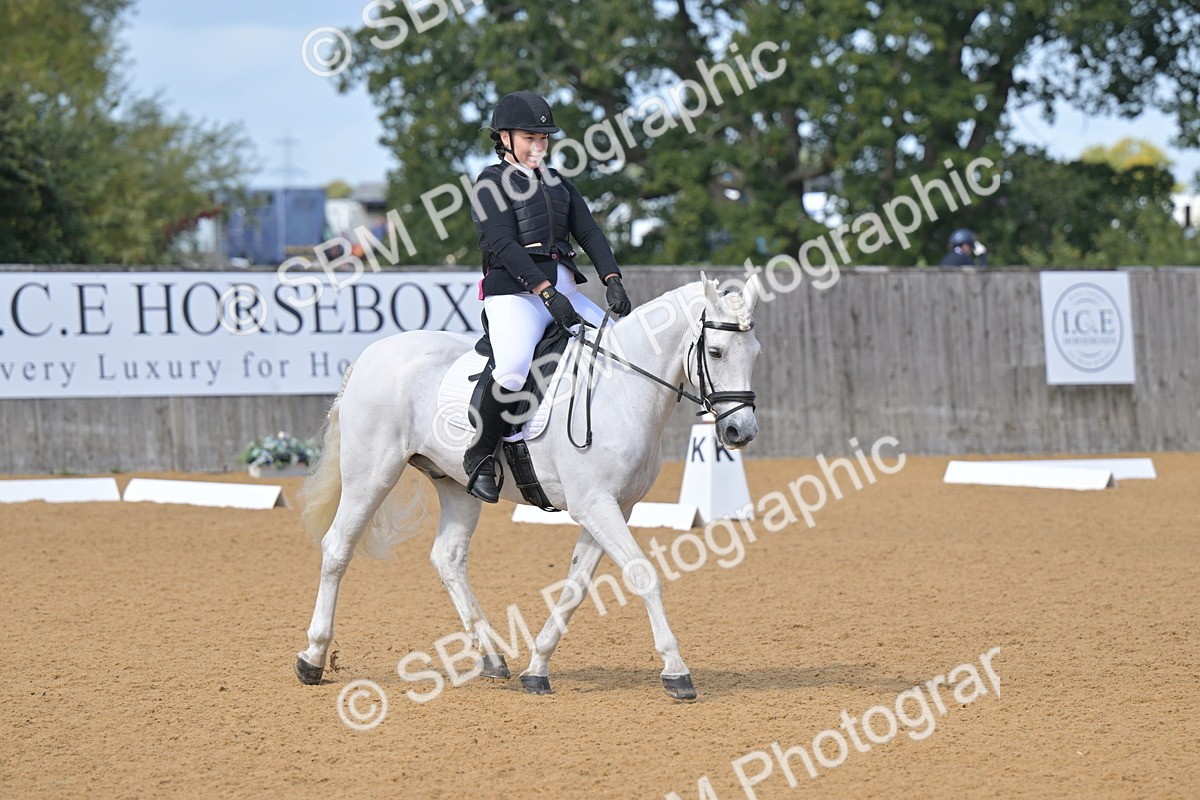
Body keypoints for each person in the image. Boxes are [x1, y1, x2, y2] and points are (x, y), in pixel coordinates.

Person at [463, 90, 632, 503]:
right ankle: (481, 456)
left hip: (564, 291)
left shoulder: (559, 184)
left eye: (544, 139)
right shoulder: (489, 184)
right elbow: (502, 242)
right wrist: (542, 290)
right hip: (515, 296)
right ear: (504, 138)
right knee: (514, 370)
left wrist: (611, 277)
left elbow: (589, 232)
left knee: (622, 349)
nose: (539, 146)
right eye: (529, 138)